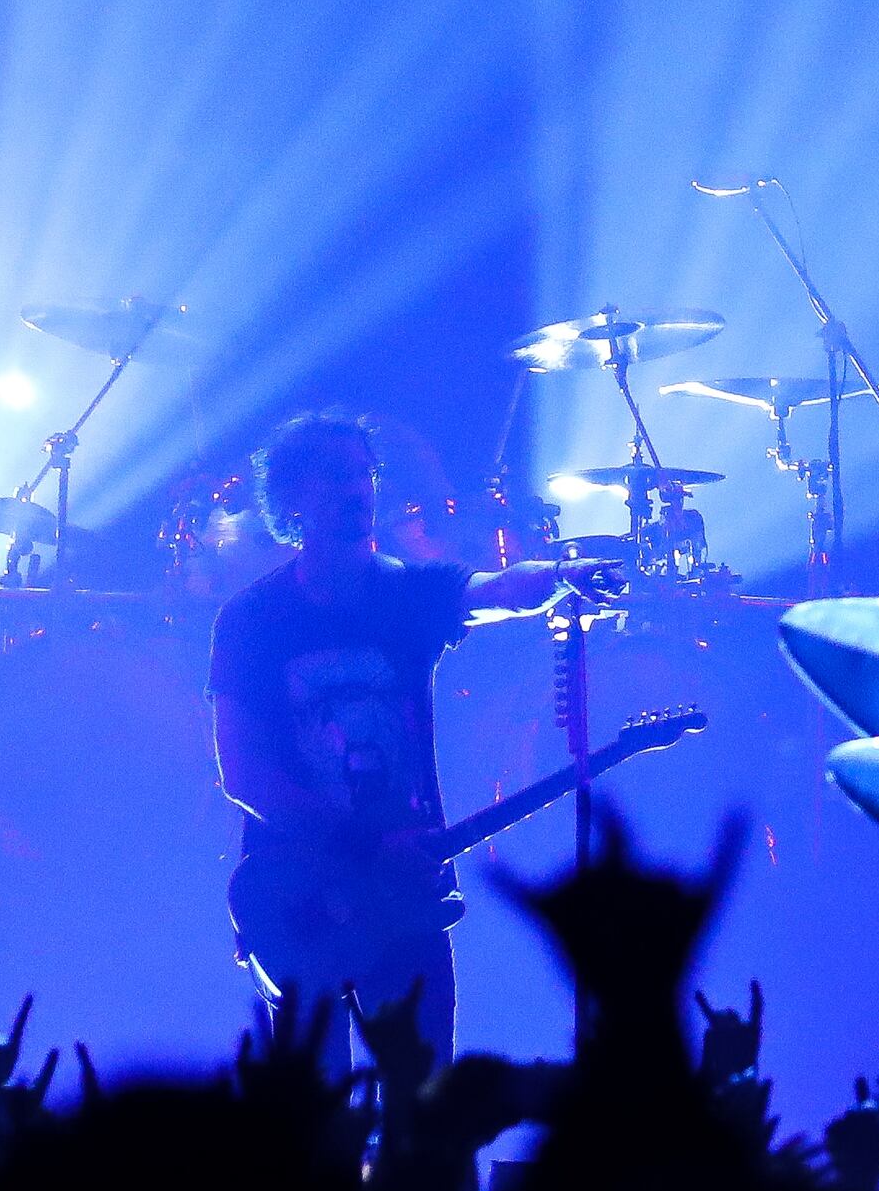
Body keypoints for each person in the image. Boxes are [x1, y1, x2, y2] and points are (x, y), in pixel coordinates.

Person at [208, 408, 597, 1037]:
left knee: (423, 1113)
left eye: (364, 473)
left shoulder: (407, 595)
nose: (357, 489)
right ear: (291, 498)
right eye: (335, 474)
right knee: (316, 1121)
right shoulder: (251, 620)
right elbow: (245, 775)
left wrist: (560, 577)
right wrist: (362, 843)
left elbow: (496, 590)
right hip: (300, 897)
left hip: (407, 899)